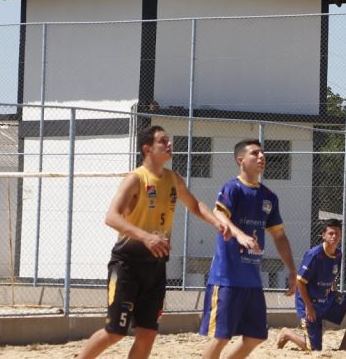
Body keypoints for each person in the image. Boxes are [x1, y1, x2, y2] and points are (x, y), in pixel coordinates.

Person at [77, 125, 237, 359]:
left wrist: (216, 222)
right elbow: (111, 217)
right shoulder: (136, 178)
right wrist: (146, 236)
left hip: (155, 266)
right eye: (163, 141)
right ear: (147, 149)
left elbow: (194, 205)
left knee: (148, 333)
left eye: (169, 140)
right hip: (127, 265)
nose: (169, 144)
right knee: (115, 332)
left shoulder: (173, 179)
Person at [199, 139, 299, 359]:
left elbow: (279, 236)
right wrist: (239, 234)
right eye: (255, 153)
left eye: (263, 153)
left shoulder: (269, 197)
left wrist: (292, 270)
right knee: (221, 337)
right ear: (240, 160)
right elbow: (219, 214)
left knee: (256, 336)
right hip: (227, 279)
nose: (261, 157)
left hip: (252, 281)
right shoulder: (231, 188)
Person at [277, 219, 346, 352]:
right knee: (313, 349)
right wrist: (309, 307)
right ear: (323, 235)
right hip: (309, 303)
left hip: (326, 298)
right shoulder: (314, 255)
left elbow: (331, 276)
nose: (334, 236)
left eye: (337, 233)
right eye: (331, 233)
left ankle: (345, 344)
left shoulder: (338, 254)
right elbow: (300, 282)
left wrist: (335, 294)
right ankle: (287, 334)